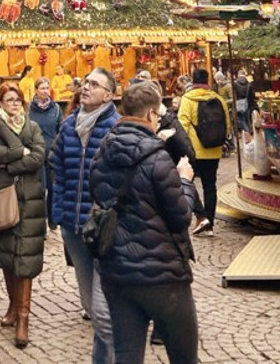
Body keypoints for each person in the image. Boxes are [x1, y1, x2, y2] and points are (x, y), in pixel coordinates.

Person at [90, 81, 198, 364]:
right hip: (161, 274)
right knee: (183, 355)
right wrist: (185, 181)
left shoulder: (103, 151)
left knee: (127, 354)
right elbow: (181, 217)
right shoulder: (158, 158)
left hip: (117, 271)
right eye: (158, 114)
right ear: (150, 114)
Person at [50, 67, 120, 364]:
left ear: (108, 95)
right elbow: (58, 169)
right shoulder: (69, 125)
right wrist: (58, 212)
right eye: (86, 82)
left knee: (104, 310)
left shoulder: (116, 127)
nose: (86, 87)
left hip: (102, 228)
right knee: (90, 303)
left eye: (94, 84)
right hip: (73, 226)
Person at [0, 82, 46, 349]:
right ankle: (14, 305)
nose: (14, 104)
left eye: (18, 99)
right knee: (8, 255)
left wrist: (8, 165)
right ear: (0, 103)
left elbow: (39, 157)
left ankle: (23, 318)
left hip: (29, 201)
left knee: (24, 260)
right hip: (3, 198)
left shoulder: (33, 127)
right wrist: (19, 152)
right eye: (9, 100)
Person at [147, 79, 209, 236]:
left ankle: (201, 217)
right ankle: (202, 218)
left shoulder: (164, 117)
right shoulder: (167, 115)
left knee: (182, 184)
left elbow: (183, 128)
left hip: (180, 156)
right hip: (189, 153)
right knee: (187, 183)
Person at [178, 67, 230, 238]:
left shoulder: (187, 99)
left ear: (193, 80)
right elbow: (227, 124)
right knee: (210, 186)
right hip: (213, 150)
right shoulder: (218, 99)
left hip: (194, 151)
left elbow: (183, 125)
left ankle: (201, 217)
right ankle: (210, 223)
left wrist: (182, 148)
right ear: (208, 80)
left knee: (187, 182)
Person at [27, 75, 63, 229]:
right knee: (39, 190)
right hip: (36, 154)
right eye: (42, 88)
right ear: (36, 90)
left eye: (47, 88)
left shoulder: (56, 109)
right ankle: (40, 222)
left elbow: (61, 130)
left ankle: (53, 220)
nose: (45, 91)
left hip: (52, 154)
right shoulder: (29, 109)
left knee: (53, 188)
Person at [234, 68, 257, 144]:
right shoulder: (249, 83)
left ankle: (247, 133)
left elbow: (234, 95)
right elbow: (253, 95)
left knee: (241, 119)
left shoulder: (235, 83)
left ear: (238, 75)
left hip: (239, 103)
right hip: (248, 103)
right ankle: (249, 132)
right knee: (247, 119)